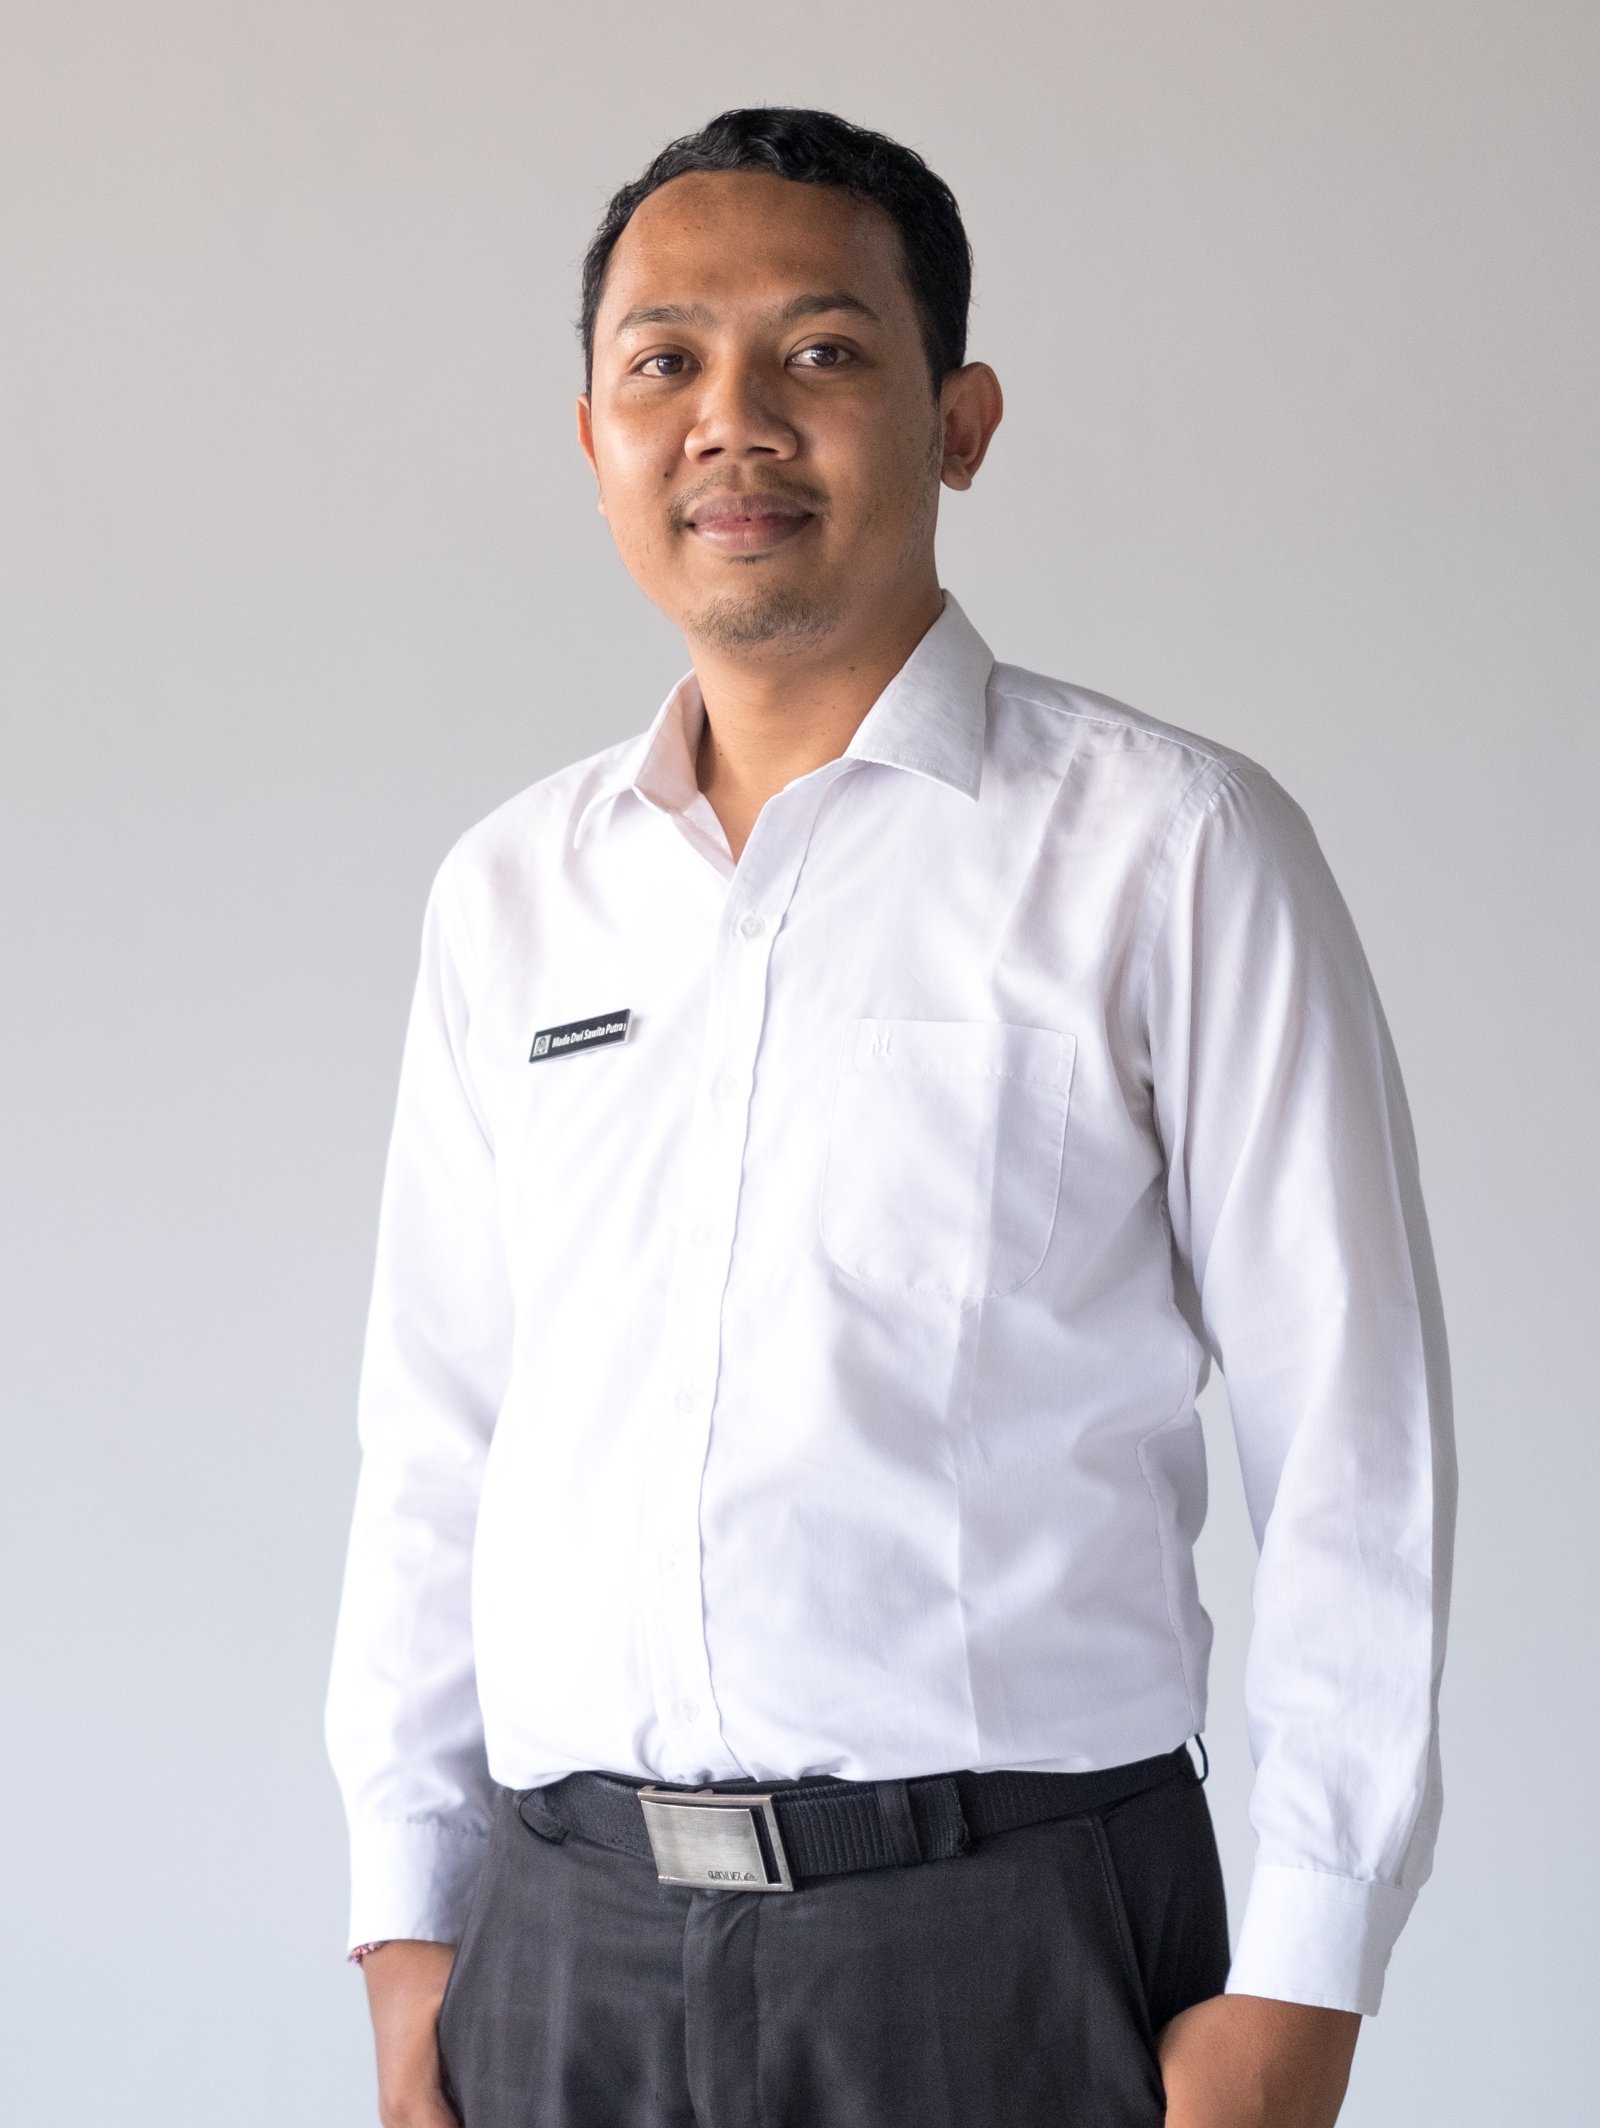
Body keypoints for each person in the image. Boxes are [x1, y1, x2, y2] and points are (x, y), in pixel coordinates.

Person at [325, 106, 1454, 2128]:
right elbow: (437, 1437)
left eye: (820, 350)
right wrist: (410, 1926)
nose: (731, 420)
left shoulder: (1168, 848)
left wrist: (1304, 1977)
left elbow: (1350, 1432)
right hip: (559, 1947)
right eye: (664, 361)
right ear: (591, 435)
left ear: (959, 420)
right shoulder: (508, 895)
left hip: (1001, 1940)